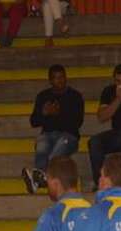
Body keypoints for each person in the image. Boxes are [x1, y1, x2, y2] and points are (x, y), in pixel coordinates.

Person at [22, 64, 84, 194]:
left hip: (69, 136)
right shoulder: (43, 96)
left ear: (66, 78)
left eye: (62, 77)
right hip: (48, 134)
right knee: (41, 146)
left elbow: (78, 122)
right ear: (50, 80)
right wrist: (44, 113)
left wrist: (58, 114)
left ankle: (39, 179)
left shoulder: (75, 96)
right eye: (56, 78)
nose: (60, 80)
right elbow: (33, 121)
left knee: (54, 155)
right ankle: (39, 179)